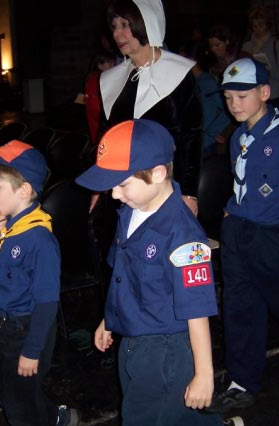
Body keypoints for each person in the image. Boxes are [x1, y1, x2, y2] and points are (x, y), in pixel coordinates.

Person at [75, 118, 223, 425]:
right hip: (132, 335)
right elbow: (123, 275)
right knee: (170, 412)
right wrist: (109, 318)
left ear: (157, 173)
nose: (115, 195)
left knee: (144, 416)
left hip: (165, 347)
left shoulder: (184, 236)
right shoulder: (131, 211)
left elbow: (197, 309)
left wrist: (204, 374)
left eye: (122, 184)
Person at [208, 58, 279, 414]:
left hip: (274, 235)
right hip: (238, 232)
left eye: (242, 96)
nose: (234, 105)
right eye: (228, 98)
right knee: (239, 307)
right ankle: (242, 381)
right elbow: (241, 181)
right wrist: (231, 210)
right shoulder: (238, 137)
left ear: (265, 92)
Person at [0, 140, 78, 426]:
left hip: (28, 328)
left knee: (19, 405)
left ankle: (44, 418)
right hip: (2, 323)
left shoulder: (39, 240)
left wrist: (31, 351)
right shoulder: (4, 225)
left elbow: (47, 303)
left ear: (24, 190)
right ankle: (53, 416)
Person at [99, 0, 203, 215]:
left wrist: (189, 192)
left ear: (146, 25)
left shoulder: (179, 74)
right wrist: (98, 187)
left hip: (165, 184)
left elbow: (192, 138)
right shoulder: (113, 80)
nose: (117, 34)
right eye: (114, 26)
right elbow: (106, 138)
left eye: (125, 25)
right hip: (122, 186)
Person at [241, 5, 279, 111]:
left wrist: (267, 70)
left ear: (267, 25)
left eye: (261, 25)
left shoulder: (277, 45)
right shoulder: (247, 46)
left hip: (272, 96)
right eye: (254, 26)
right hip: (251, 95)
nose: (257, 29)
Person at [84, 49, 115, 144]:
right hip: (100, 117)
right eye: (108, 62)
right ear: (99, 65)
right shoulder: (100, 78)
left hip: (97, 116)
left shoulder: (94, 76)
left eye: (112, 62)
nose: (112, 65)